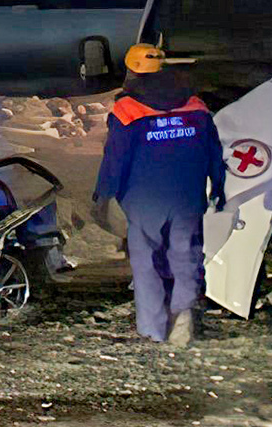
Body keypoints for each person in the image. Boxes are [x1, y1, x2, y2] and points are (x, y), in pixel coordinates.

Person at [91, 43, 226, 344]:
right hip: (187, 198)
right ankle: (184, 317)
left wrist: (104, 193)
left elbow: (116, 157)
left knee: (148, 263)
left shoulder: (127, 110)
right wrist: (218, 186)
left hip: (144, 200)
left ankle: (153, 330)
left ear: (131, 71)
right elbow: (214, 152)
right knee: (185, 255)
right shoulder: (196, 106)